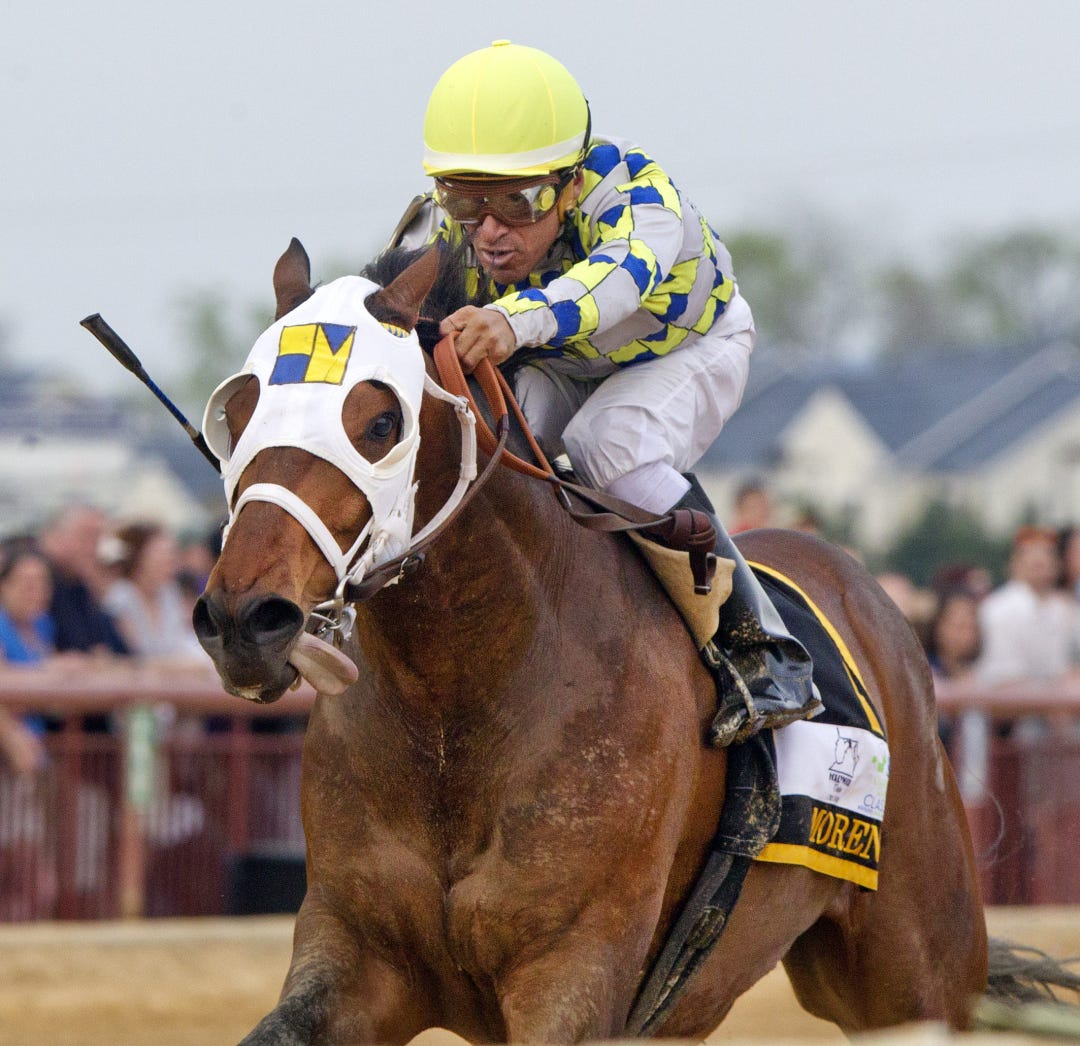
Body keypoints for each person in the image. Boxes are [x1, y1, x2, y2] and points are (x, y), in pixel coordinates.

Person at [390, 40, 818, 743]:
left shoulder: (640, 199)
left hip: (686, 347)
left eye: (518, 201)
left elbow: (613, 285)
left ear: (569, 183)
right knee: (492, 446)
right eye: (465, 200)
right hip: (565, 359)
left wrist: (509, 320)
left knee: (608, 442)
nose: (489, 232)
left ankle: (763, 648)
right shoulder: (448, 230)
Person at [976, 526, 1077, 686]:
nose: (1041, 562)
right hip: (1012, 697)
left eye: (1048, 555)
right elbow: (1003, 678)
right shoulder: (1000, 608)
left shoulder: (1062, 608)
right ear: (1015, 563)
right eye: (1033, 557)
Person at [102, 522, 206, 664]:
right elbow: (133, 656)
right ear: (139, 558)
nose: (170, 562)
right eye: (162, 555)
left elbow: (181, 643)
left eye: (171, 555)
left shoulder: (170, 593)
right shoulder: (121, 598)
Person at [37, 504, 129, 657]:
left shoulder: (79, 585)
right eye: (86, 536)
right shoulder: (39, 580)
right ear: (53, 537)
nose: (93, 548)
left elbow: (104, 647)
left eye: (98, 538)